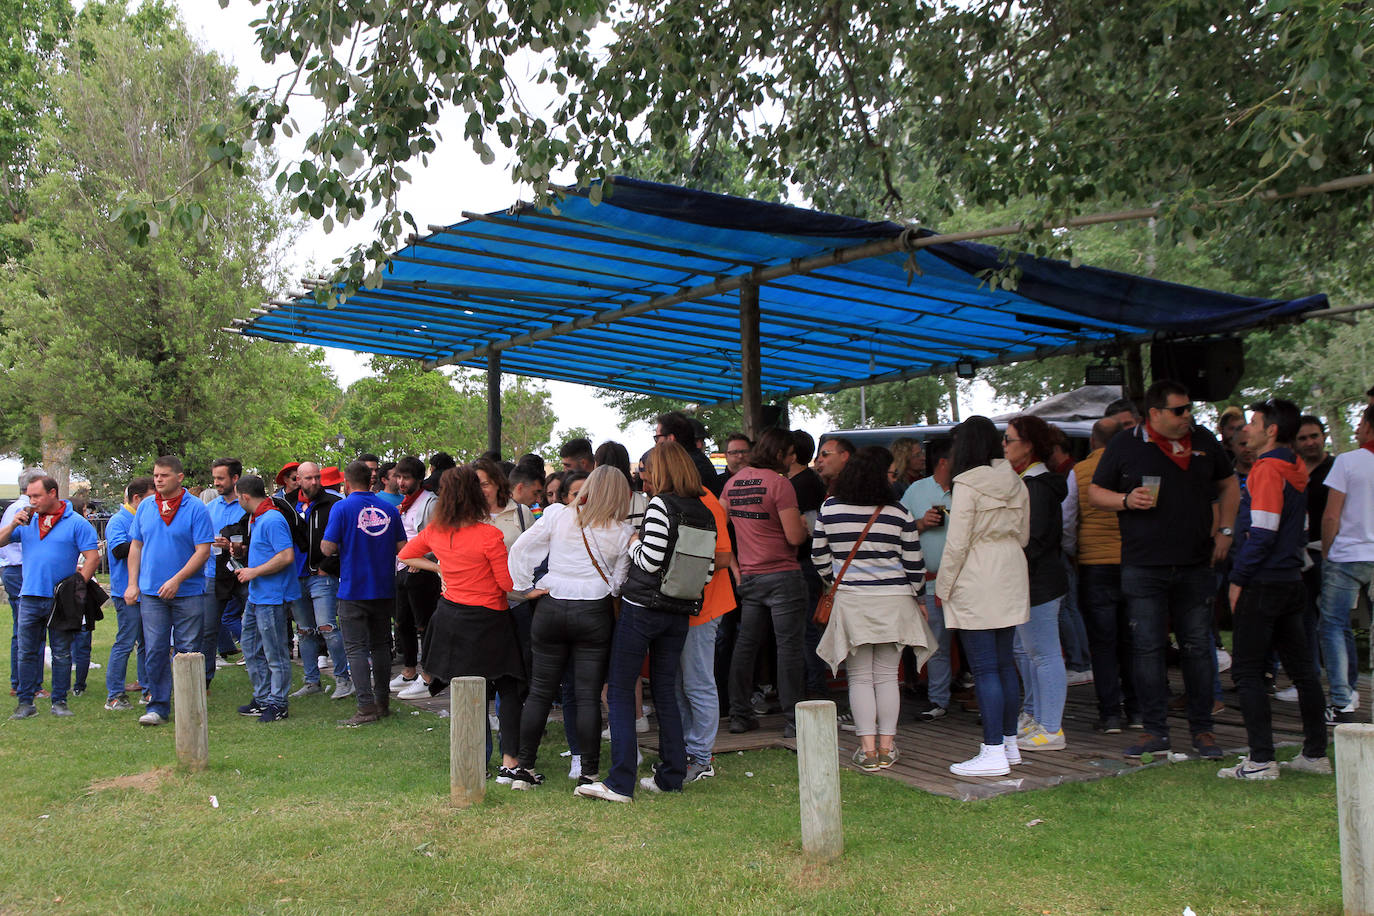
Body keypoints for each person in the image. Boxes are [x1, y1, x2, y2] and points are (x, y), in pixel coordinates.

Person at [1089, 380, 1239, 760]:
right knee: (1148, 649)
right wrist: (1125, 499)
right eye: (1179, 410)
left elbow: (1229, 484)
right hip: (1143, 564)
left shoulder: (1204, 439)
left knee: (1197, 648)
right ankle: (1155, 731)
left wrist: (1225, 530)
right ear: (1154, 413)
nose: (1187, 416)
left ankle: (1203, 730)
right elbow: (1095, 493)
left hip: (1195, 562)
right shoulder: (1125, 444)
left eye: (1189, 408)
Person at [577, 442, 720, 803]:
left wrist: (633, 542)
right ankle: (672, 775)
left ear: (661, 471)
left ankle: (619, 781)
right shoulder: (705, 510)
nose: (642, 475)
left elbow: (650, 560)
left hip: (642, 608)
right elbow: (708, 572)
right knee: (667, 694)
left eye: (646, 469)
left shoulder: (661, 505)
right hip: (680, 612)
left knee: (622, 691)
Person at [1219, 398, 1331, 779]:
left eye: (1252, 422)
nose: (1245, 429)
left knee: (1248, 672)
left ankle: (1261, 760)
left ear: (1270, 430)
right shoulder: (1296, 467)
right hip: (1291, 579)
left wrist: (1238, 578)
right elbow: (1297, 530)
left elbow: (1263, 532)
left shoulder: (1267, 470)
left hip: (1264, 581)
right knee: (1303, 672)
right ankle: (1315, 754)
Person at [508, 465, 633, 789]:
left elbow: (521, 548)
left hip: (551, 604)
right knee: (588, 695)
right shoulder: (622, 531)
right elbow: (618, 584)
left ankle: (524, 768)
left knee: (540, 691)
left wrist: (524, 586)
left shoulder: (557, 515)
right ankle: (588, 773)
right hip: (593, 609)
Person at [814, 447, 934, 771]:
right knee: (885, 677)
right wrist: (920, 598)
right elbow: (914, 563)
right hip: (894, 601)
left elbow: (818, 556)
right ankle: (887, 746)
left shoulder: (830, 508)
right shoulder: (898, 512)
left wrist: (836, 579)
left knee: (860, 679)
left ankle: (866, 751)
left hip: (852, 601)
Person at [936, 417, 1030, 777]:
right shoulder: (1015, 481)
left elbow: (957, 543)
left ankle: (992, 751)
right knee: (1005, 663)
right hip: (1010, 568)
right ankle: (1008, 744)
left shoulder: (966, 484)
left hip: (976, 572)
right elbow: (1023, 534)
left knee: (985, 667)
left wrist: (943, 587)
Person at [721, 427, 810, 737]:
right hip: (783, 574)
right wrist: (802, 526)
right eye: (789, 454)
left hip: (750, 576)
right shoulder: (780, 484)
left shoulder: (732, 484)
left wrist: (734, 567)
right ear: (778, 454)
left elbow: (719, 529)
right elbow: (794, 537)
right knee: (789, 648)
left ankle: (739, 715)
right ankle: (793, 721)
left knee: (745, 646)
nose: (792, 459)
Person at [124, 456, 215, 727]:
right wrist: (132, 583)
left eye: (164, 475)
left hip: (187, 592)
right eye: (156, 475)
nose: (158, 479)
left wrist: (177, 579)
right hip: (152, 593)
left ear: (179, 477)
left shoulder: (196, 508)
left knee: (188, 651)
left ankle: (190, 707)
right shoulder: (146, 508)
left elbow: (203, 551)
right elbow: (136, 547)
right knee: (154, 649)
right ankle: (158, 706)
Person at [1, 475, 100, 719]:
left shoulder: (76, 523)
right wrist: (13, 524)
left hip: (60, 599)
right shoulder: (27, 521)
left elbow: (93, 557)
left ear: (53, 493)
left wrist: (78, 587)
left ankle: (59, 701)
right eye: (29, 496)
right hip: (30, 597)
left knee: (62, 652)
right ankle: (25, 703)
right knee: (26, 651)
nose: (32, 501)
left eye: (37, 496)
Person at [1003, 415, 1070, 752]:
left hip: (1039, 583)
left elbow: (1034, 541)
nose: (1004, 446)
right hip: (1032, 582)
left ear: (1027, 446)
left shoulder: (1037, 488)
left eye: (1009, 439)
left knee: (1044, 655)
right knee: (1030, 652)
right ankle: (1037, 717)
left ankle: (1051, 728)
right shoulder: (1030, 484)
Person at [322, 460, 407, 726]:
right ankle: (383, 702)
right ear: (371, 481)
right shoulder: (389, 509)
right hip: (383, 587)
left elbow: (326, 547)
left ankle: (365, 707)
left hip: (353, 589)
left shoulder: (342, 507)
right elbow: (403, 547)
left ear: (346, 483)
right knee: (381, 645)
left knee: (356, 649)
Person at [1070, 418, 1138, 732]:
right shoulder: (1135, 468)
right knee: (1135, 641)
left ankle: (1110, 713)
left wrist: (1075, 551)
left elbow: (1068, 521)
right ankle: (1139, 711)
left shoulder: (1079, 472)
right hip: (1133, 562)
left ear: (1092, 441)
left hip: (1095, 564)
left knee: (1103, 643)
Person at [1318, 404, 1374, 724]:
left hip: (1348, 555)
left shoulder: (1348, 461)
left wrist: (1327, 552)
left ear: (1368, 425)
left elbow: (1331, 514)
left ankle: (1342, 702)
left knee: (1334, 626)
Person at [1277, 415, 1339, 703]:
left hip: (1330, 552)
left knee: (1333, 622)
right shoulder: (1292, 469)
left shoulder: (1337, 467)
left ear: (1324, 436)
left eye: (1314, 436)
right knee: (1303, 620)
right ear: (1294, 443)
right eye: (1303, 438)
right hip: (1299, 554)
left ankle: (1343, 688)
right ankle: (1308, 681)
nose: (1310, 442)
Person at [232, 475, 302, 723]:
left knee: (275, 651)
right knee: (250, 646)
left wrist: (254, 571)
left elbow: (285, 556)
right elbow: (267, 552)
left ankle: (278, 703)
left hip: (272, 596)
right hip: (258, 593)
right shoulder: (258, 518)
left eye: (237, 496)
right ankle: (262, 698)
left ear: (244, 496)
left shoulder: (272, 518)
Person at [901, 437, 955, 720]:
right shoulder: (916, 490)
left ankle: (984, 698)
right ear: (944, 461)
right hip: (931, 581)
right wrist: (921, 523)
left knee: (976, 643)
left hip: (967, 582)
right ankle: (938, 701)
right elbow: (897, 529)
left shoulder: (969, 489)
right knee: (936, 644)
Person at [290, 461, 351, 700]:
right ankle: (311, 680)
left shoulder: (334, 504)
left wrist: (329, 566)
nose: (314, 482)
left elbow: (345, 540)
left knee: (327, 627)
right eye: (309, 478)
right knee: (304, 631)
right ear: (298, 480)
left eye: (317, 477)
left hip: (321, 575)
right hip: (296, 574)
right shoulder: (289, 505)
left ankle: (343, 679)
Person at [103, 476, 153, 711]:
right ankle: (114, 694)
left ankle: (148, 689)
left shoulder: (146, 517)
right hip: (127, 592)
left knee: (148, 643)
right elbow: (119, 549)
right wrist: (147, 540)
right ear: (137, 498)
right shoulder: (118, 520)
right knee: (125, 642)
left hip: (149, 592)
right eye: (151, 497)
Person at [392, 456, 440, 697]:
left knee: (425, 624)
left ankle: (429, 675)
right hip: (402, 567)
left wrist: (426, 559)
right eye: (399, 477)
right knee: (402, 622)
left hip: (421, 570)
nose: (401, 482)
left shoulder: (429, 503)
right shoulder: (405, 503)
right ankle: (409, 669)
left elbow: (439, 537)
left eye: (406, 477)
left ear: (419, 480)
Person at [202, 458, 247, 688]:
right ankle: (204, 682)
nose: (216, 483)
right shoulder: (208, 509)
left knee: (254, 625)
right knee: (208, 629)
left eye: (221, 478)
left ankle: (262, 678)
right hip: (214, 574)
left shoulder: (247, 506)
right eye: (215, 478)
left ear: (235, 479)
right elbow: (200, 542)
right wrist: (214, 545)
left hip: (244, 575)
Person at [2, 468, 44, 700]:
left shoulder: (11, 507)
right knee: (29, 630)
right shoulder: (24, 510)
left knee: (21, 629)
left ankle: (19, 681)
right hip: (20, 571)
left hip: (10, 570)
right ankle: (29, 683)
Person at [656, 410, 722, 496]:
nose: (656, 444)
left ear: (670, 439)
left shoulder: (688, 467)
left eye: (657, 438)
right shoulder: (695, 462)